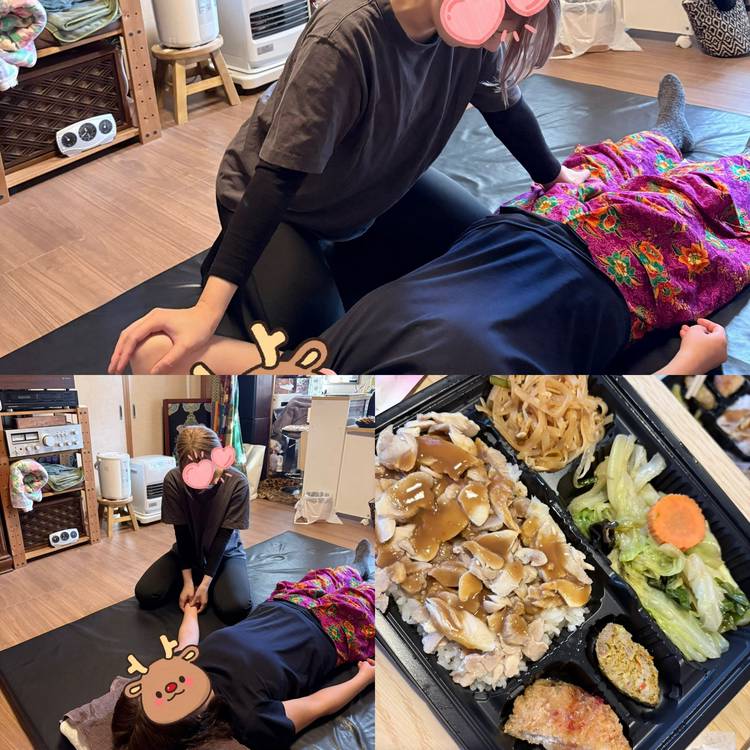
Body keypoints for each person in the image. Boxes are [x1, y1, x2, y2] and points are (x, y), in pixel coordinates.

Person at [121, 76, 743, 375]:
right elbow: (598, 428)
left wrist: (202, 326)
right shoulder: (468, 420)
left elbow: (154, 357)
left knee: (595, 167)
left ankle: (668, 134)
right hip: (619, 281)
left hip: (511, 235)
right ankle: (697, 152)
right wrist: (688, 366)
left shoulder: (317, 374)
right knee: (705, 198)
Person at [108, 0, 589, 376]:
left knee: (486, 244)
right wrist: (205, 312)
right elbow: (276, 181)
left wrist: (555, 177)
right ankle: (226, 291)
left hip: (373, 184)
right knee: (322, 348)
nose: (499, 41)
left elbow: (506, 109)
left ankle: (343, 256)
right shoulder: (344, 38)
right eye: (502, 27)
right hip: (287, 211)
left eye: (512, 30)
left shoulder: (476, 35)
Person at [112, 542, 376, 750]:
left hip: (284, 605)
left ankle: (359, 567)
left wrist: (190, 612)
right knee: (372, 598)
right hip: (330, 633)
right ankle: (367, 581)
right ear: (190, 724)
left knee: (330, 576)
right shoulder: (249, 720)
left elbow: (187, 641)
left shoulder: (185, 664)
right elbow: (316, 705)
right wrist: (363, 678)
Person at [135, 426, 252, 625]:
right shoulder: (174, 479)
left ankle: (210, 580)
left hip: (225, 554)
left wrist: (204, 585)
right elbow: (182, 535)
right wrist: (188, 582)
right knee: (146, 594)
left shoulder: (237, 484)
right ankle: (193, 578)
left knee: (235, 608)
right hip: (187, 552)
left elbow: (222, 539)